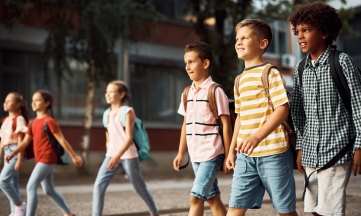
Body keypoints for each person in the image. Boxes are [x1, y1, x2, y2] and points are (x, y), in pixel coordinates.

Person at [288, 1, 361, 216]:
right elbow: (298, 113)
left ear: (324, 32)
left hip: (338, 150)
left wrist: (359, 146)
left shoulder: (342, 62)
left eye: (306, 30)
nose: (300, 36)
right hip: (310, 151)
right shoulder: (300, 69)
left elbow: (358, 106)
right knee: (314, 209)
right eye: (297, 31)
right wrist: (300, 147)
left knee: (330, 210)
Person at [226, 19, 297, 216]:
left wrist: (257, 137)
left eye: (245, 38)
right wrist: (232, 151)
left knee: (285, 210)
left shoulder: (270, 73)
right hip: (245, 156)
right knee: (234, 208)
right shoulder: (239, 80)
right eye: (237, 38)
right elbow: (239, 117)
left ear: (262, 44)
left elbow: (282, 109)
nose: (238, 42)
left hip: (273, 152)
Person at [173, 42, 232, 216]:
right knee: (212, 198)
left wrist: (229, 155)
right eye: (186, 63)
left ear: (205, 63)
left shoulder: (215, 91)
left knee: (195, 197)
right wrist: (180, 152)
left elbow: (227, 124)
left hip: (211, 153)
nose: (187, 67)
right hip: (195, 154)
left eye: (191, 62)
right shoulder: (187, 93)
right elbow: (186, 124)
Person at [5, 90, 83, 216]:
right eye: (32, 100)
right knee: (49, 190)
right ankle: (68, 213)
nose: (33, 103)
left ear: (47, 103)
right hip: (40, 159)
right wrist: (13, 153)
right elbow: (25, 143)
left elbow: (62, 140)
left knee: (30, 186)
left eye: (37, 100)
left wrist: (74, 156)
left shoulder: (49, 121)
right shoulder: (32, 122)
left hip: (48, 158)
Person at [92, 80, 159, 216]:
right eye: (106, 92)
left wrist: (117, 157)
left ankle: (154, 212)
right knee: (98, 186)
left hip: (128, 156)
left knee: (139, 187)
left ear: (121, 94)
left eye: (111, 92)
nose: (107, 94)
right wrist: (109, 152)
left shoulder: (127, 111)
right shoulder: (106, 114)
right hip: (111, 155)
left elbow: (128, 138)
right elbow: (108, 135)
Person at [0, 92, 29, 216]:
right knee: (13, 184)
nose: (5, 103)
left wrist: (20, 159)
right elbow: (2, 141)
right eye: (5, 101)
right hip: (7, 153)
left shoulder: (19, 119)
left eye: (8, 101)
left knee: (2, 182)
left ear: (18, 105)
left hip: (15, 152)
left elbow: (21, 141)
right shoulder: (5, 120)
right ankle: (15, 212)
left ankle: (20, 206)